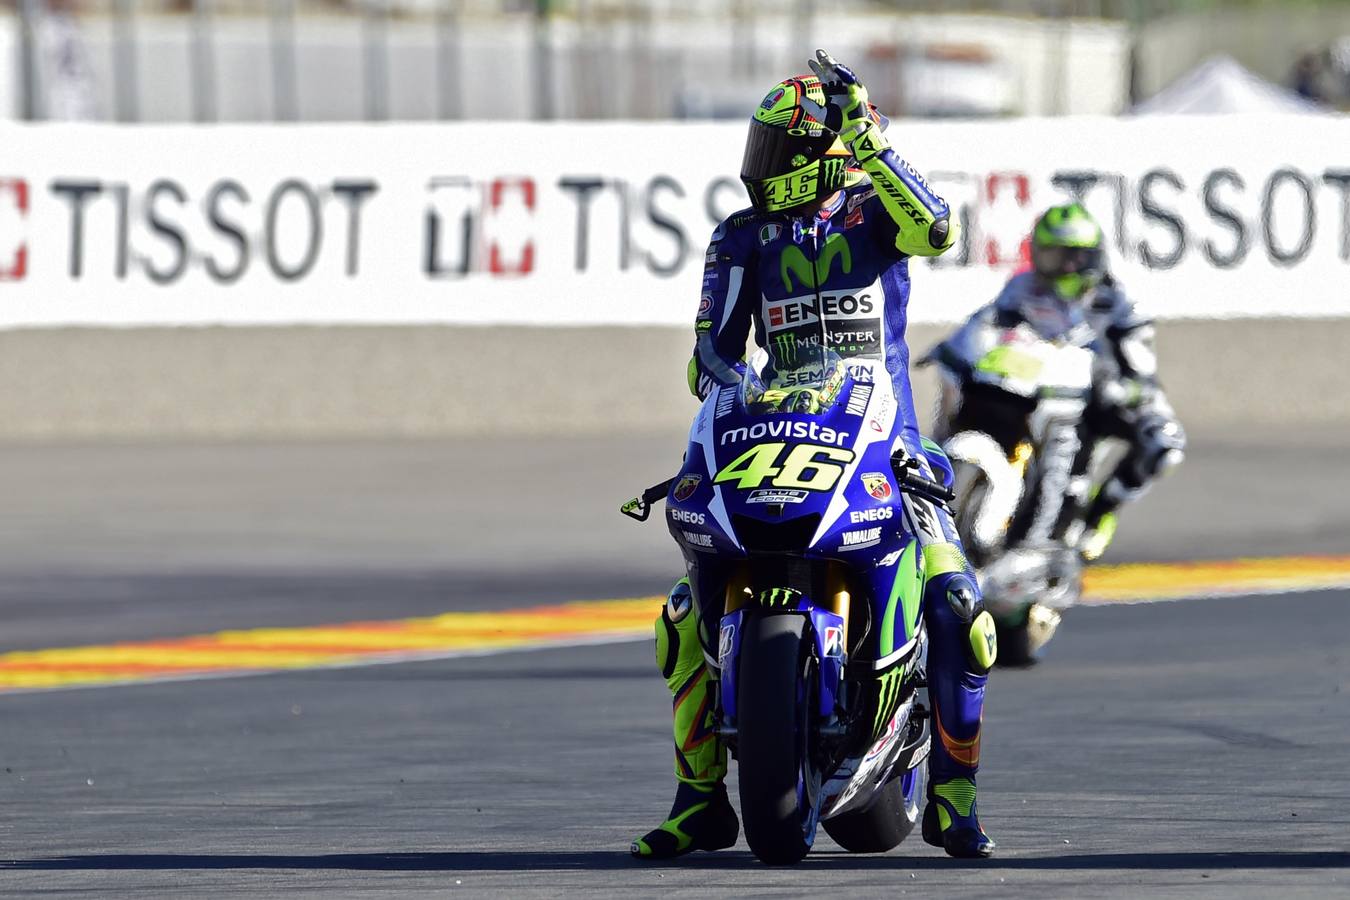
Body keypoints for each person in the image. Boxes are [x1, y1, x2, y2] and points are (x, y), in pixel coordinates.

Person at [630, 50, 996, 862]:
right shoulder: (740, 238)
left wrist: (868, 141)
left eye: (777, 151)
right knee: (682, 614)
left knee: (959, 608)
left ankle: (954, 797)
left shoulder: (877, 215)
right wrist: (742, 387)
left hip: (886, 437)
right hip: (778, 429)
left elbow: (937, 228)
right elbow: (710, 357)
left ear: (824, 154)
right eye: (758, 148)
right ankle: (700, 802)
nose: (759, 167)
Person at [931, 202, 1186, 561]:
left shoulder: (1120, 303)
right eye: (1051, 255)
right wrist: (953, 346)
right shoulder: (1025, 287)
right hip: (1040, 384)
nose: (1063, 267)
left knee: (1165, 443)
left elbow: (1140, 371)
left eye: (1072, 257)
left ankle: (1100, 513)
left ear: (1091, 257)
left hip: (1104, 390)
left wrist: (1122, 389)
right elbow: (989, 322)